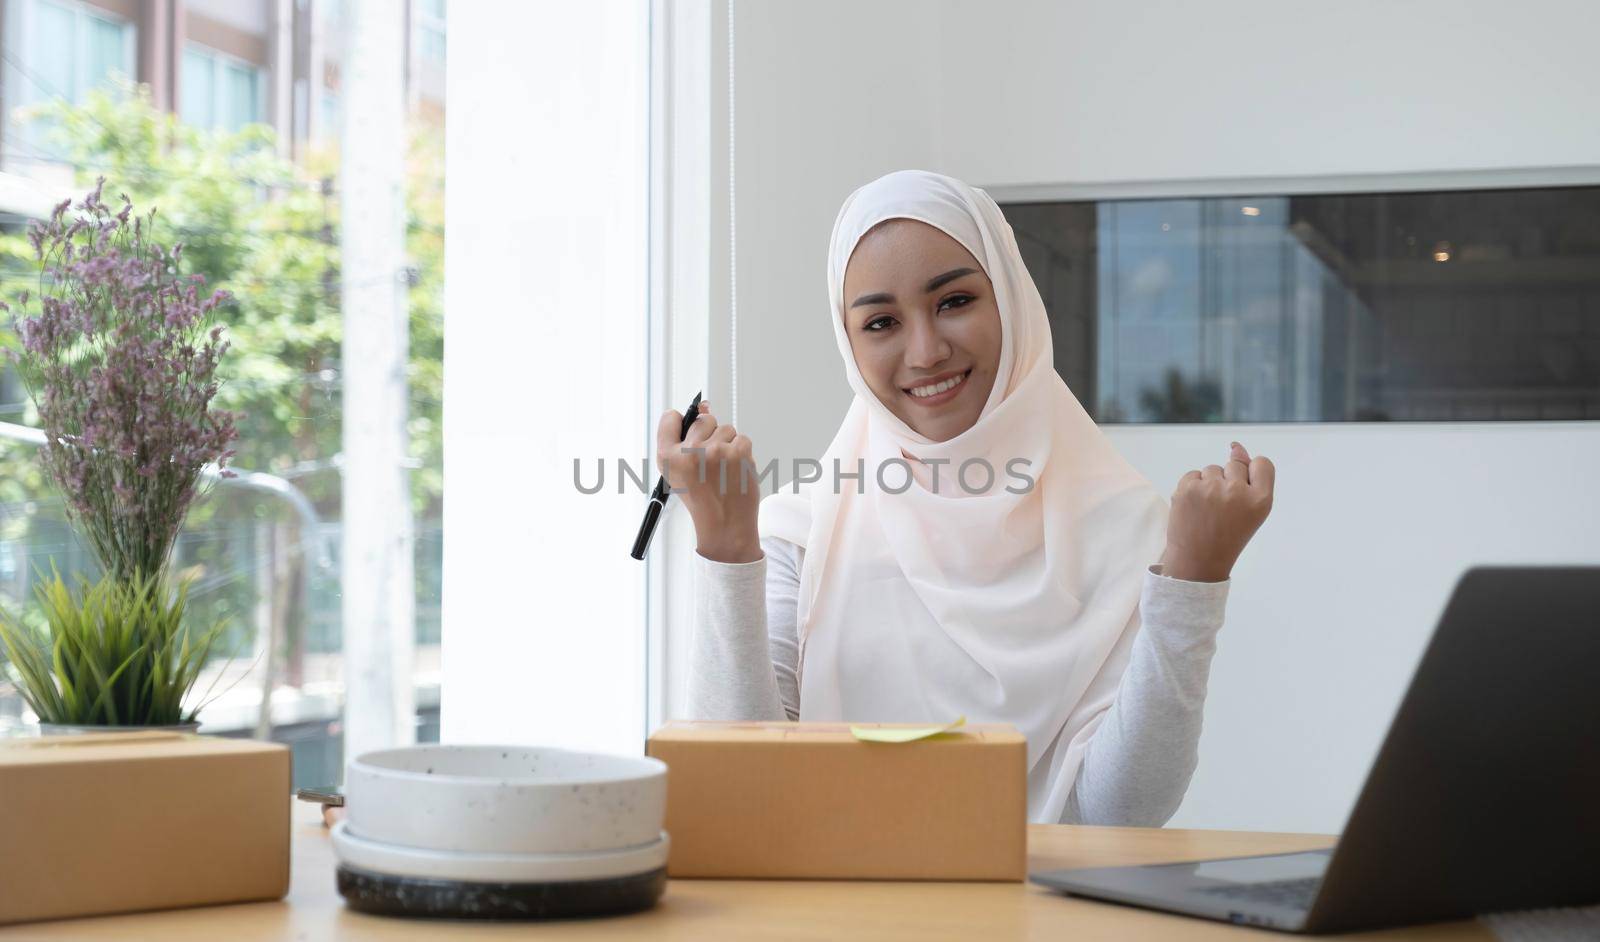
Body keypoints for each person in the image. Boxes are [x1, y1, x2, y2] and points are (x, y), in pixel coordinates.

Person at [656, 170, 1275, 825]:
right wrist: (725, 548)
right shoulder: (801, 534)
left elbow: (1120, 818)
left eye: (954, 301)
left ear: (1010, 297)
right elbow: (743, 798)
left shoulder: (1124, 530)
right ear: (849, 343)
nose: (925, 351)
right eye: (881, 322)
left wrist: (1193, 584)